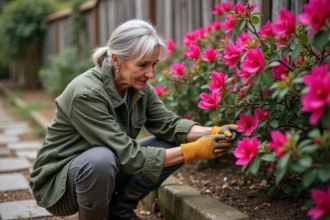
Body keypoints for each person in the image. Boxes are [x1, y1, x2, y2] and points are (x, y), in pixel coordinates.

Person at [30, 19, 239, 220]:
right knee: (100, 161)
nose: (150, 74)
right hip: (61, 183)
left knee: (175, 138)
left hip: (108, 167)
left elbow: (169, 125)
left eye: (154, 64)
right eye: (143, 65)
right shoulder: (86, 94)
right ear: (116, 60)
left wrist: (211, 133)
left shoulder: (138, 87)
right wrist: (194, 150)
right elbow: (129, 155)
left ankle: (119, 212)